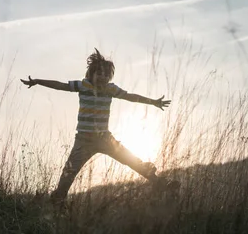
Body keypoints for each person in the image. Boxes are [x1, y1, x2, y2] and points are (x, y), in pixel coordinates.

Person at [21, 48, 179, 206]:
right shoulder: (83, 86)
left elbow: (132, 97)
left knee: (131, 160)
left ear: (109, 77)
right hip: (83, 141)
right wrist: (37, 81)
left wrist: (154, 102)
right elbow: (60, 85)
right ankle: (57, 201)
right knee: (68, 174)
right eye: (99, 74)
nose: (102, 77)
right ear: (91, 74)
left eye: (106, 75)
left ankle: (160, 184)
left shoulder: (111, 89)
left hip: (105, 139)